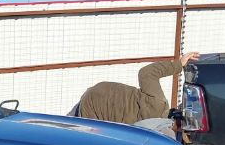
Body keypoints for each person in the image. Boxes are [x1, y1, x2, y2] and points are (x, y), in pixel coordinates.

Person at [70, 52, 200, 124]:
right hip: (98, 102)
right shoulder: (151, 132)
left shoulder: (158, 102)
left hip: (99, 95)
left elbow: (146, 73)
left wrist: (178, 65)